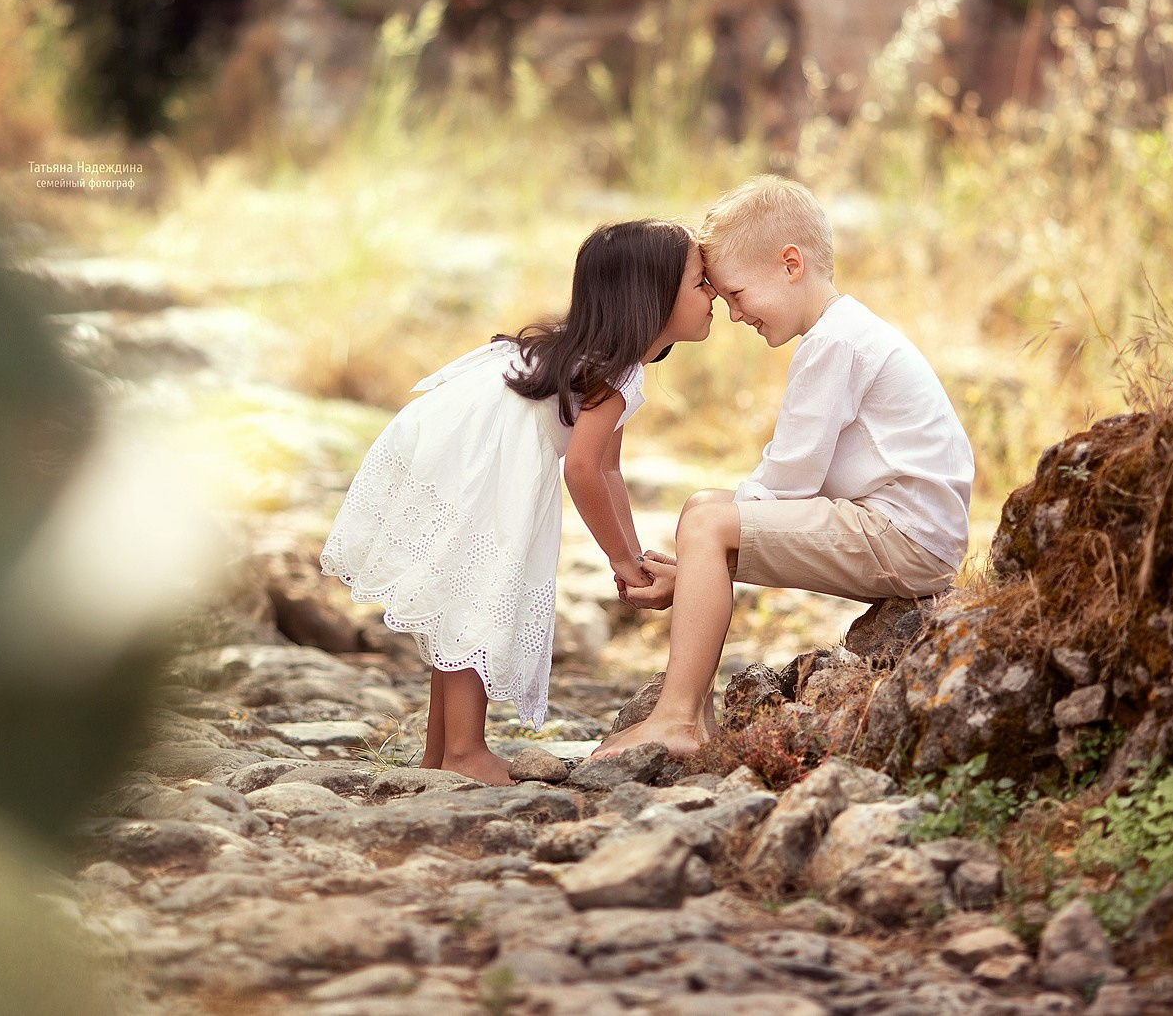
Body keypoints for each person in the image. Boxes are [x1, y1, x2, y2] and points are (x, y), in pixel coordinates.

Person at [589, 176, 974, 762]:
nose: (736, 314)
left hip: (907, 539)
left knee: (707, 524)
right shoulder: (844, 333)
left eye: (738, 293)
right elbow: (783, 492)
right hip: (896, 529)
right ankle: (692, 716)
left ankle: (675, 719)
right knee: (703, 511)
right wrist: (699, 567)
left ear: (790, 263)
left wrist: (703, 552)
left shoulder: (834, 344)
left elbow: (789, 479)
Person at [320, 219, 716, 784]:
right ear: (651, 296)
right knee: (482, 590)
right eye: (702, 284)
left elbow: (608, 467)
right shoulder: (614, 371)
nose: (715, 296)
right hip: (474, 458)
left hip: (451, 445)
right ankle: (464, 751)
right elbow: (581, 469)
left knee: (463, 598)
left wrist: (632, 557)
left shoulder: (613, 364)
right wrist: (623, 563)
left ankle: (439, 757)